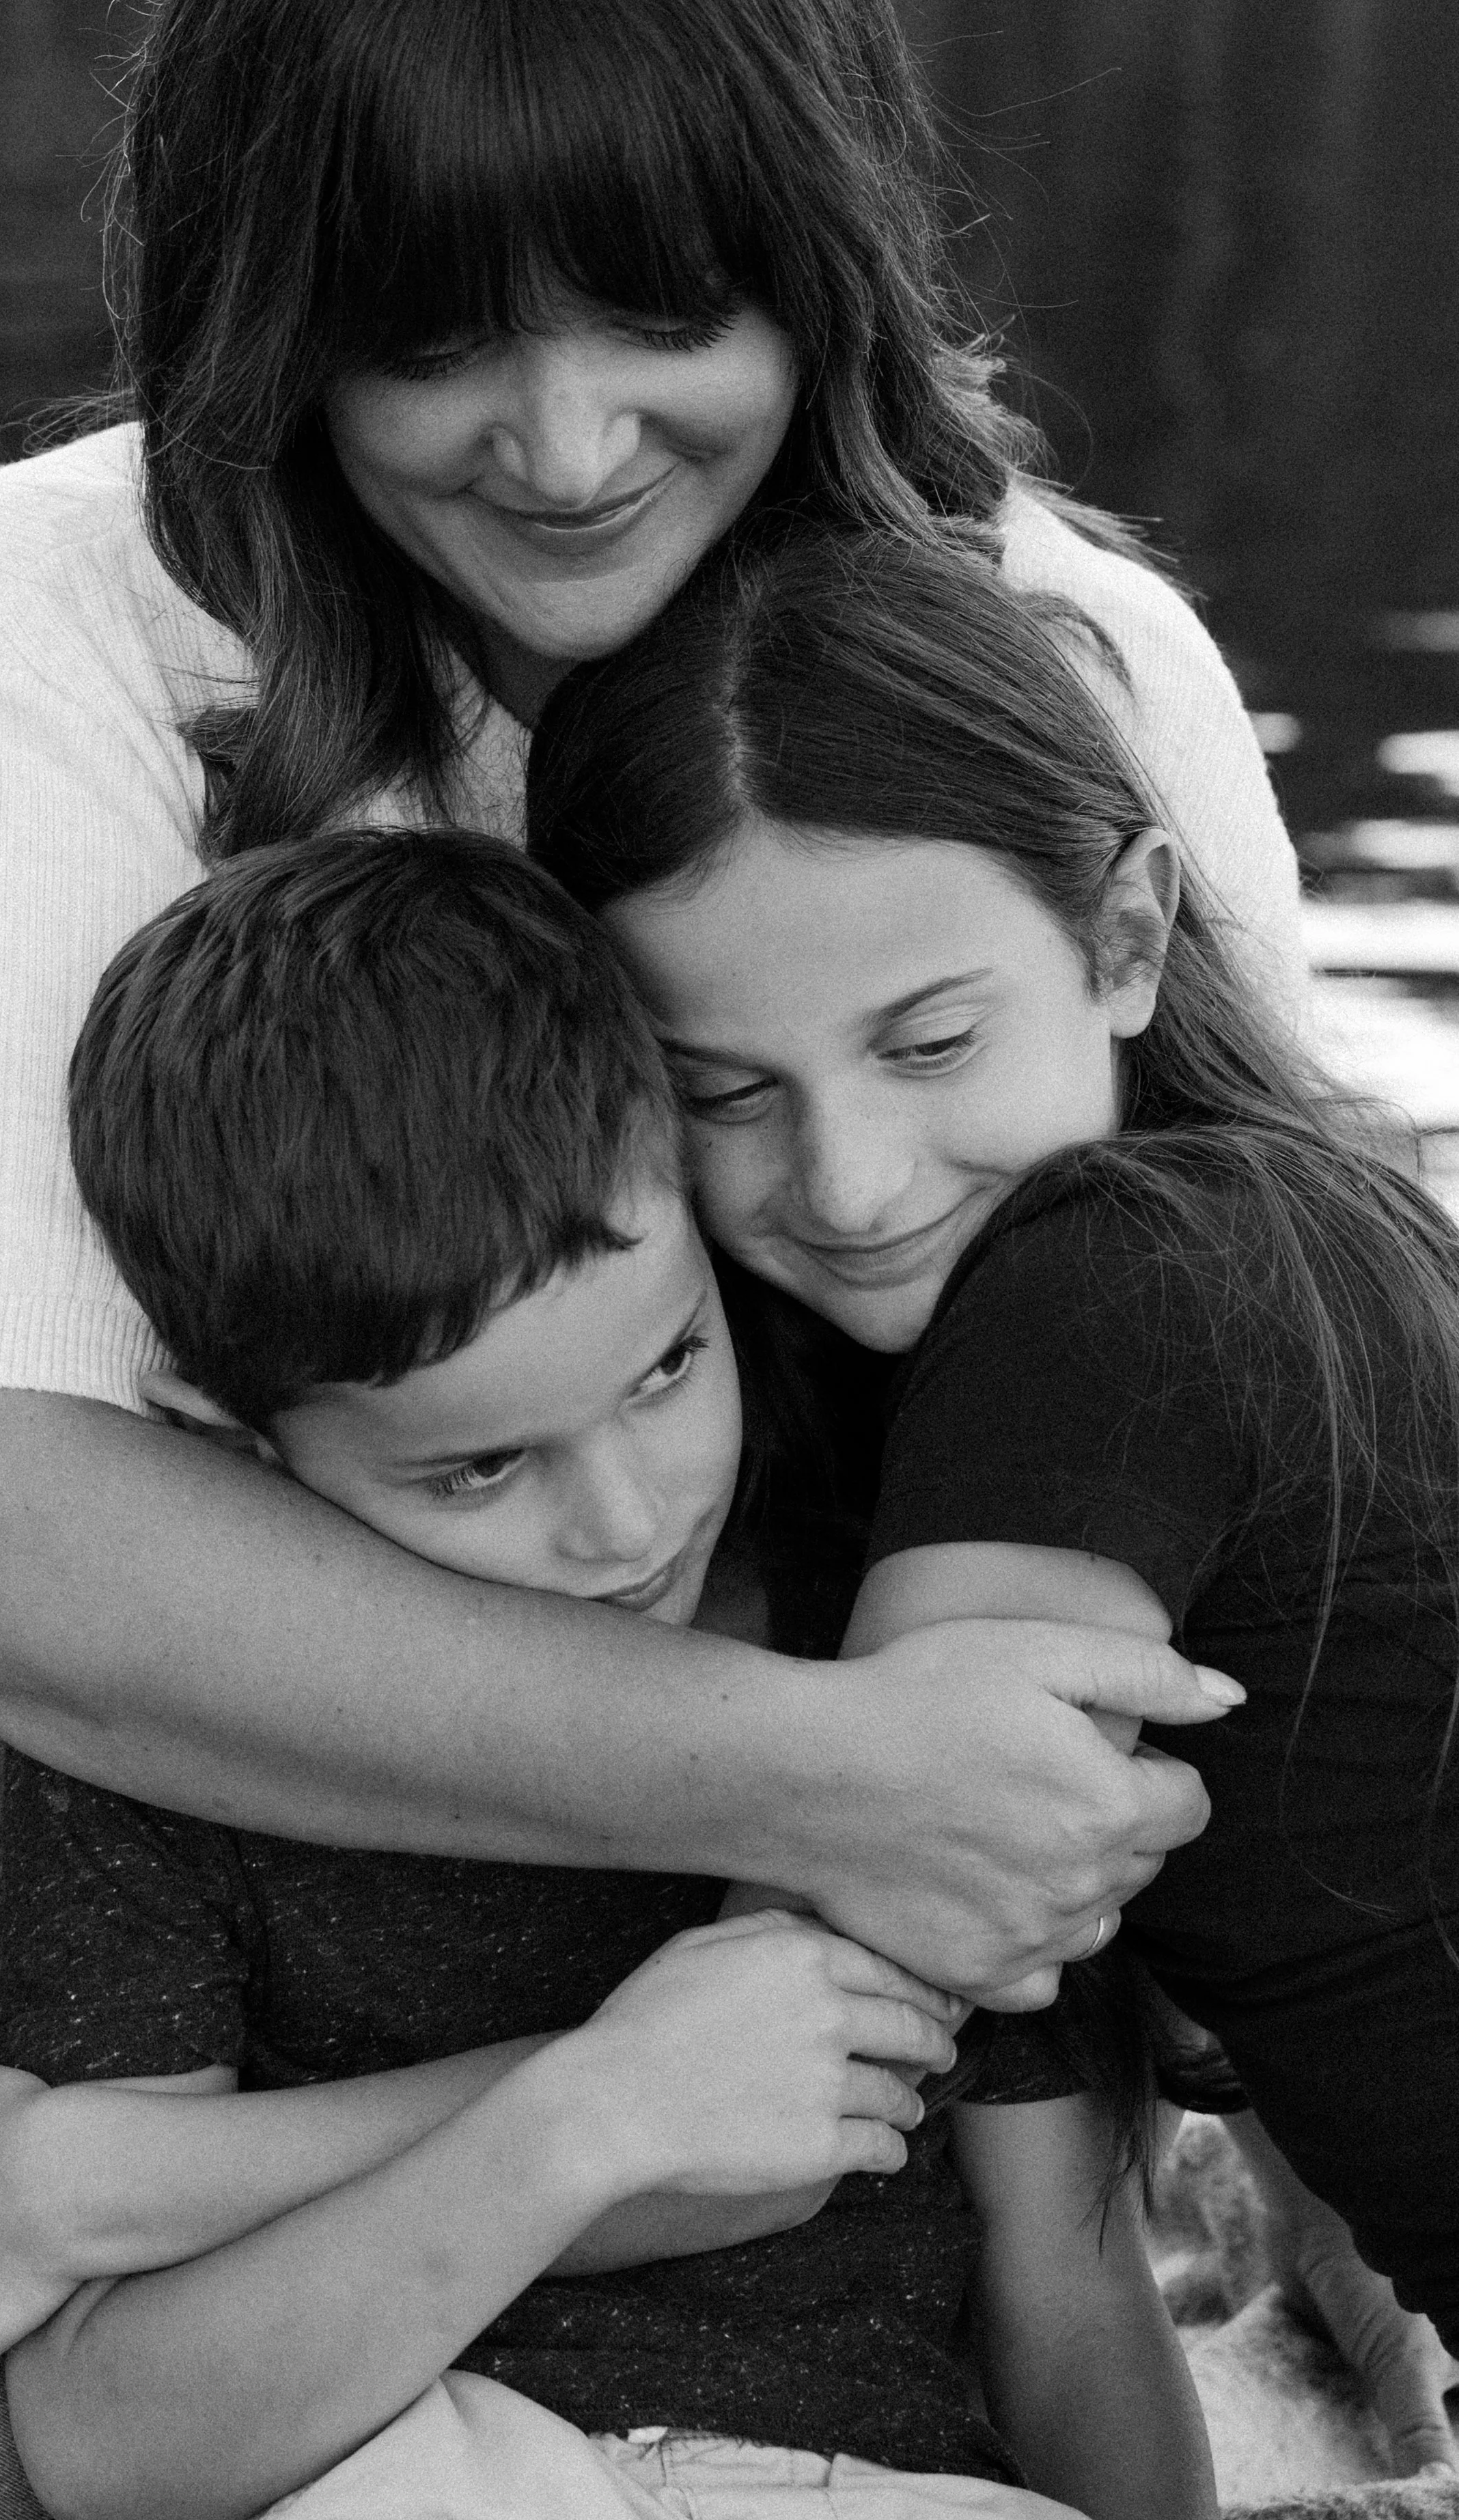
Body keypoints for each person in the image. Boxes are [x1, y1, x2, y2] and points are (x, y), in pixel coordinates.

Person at [0, 2, 1290, 2502]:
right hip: (166, 1774)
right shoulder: (28, 629)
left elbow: (1275, 1344)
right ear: (276, 326)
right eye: (431, 338)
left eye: (661, 313)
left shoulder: (1046, 664)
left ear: (812, 277)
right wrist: (842, 1789)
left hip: (915, 1764)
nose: (568, 450)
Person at [0, 827, 1216, 2520]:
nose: (629, 1521)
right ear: (231, 1446)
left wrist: (107, 2180)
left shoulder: (888, 1628)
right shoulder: (178, 1731)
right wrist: (585, 2114)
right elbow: (109, 2444)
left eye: (667, 1366)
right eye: (481, 1468)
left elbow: (1072, 2285)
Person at [524, 525, 1459, 2387]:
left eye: (931, 1042)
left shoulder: (1111, 1287)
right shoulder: (1308, 1223)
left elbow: (767, 2096)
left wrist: (118, 2186)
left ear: (1125, 939)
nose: (851, 1183)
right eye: (724, 1091)